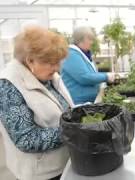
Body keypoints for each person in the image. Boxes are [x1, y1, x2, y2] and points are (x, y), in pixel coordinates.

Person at [0, 26, 73, 180]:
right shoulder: (8, 86)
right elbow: (26, 139)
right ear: (30, 60)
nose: (57, 68)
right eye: (52, 62)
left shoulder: (47, 75)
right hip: (42, 172)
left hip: (65, 161)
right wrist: (73, 131)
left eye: (58, 62)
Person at [61, 26, 115, 105]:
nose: (91, 42)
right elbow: (84, 77)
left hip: (87, 102)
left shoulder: (81, 54)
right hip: (78, 103)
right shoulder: (72, 54)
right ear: (80, 39)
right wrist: (106, 76)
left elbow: (92, 74)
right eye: (89, 39)